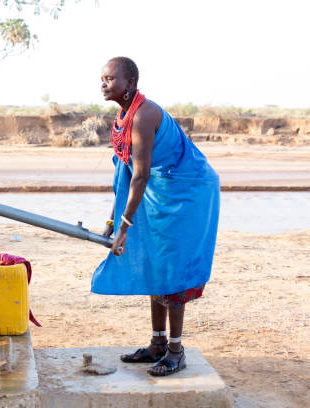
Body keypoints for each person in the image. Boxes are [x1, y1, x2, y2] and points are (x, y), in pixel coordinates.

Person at [91, 57, 220, 376]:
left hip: (186, 191)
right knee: (151, 258)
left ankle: (176, 351)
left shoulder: (143, 114)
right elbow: (125, 172)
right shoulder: (123, 115)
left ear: (130, 83)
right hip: (160, 186)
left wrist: (124, 227)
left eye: (110, 78)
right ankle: (157, 344)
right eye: (102, 78)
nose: (103, 83)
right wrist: (112, 223)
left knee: (172, 266)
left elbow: (140, 175)